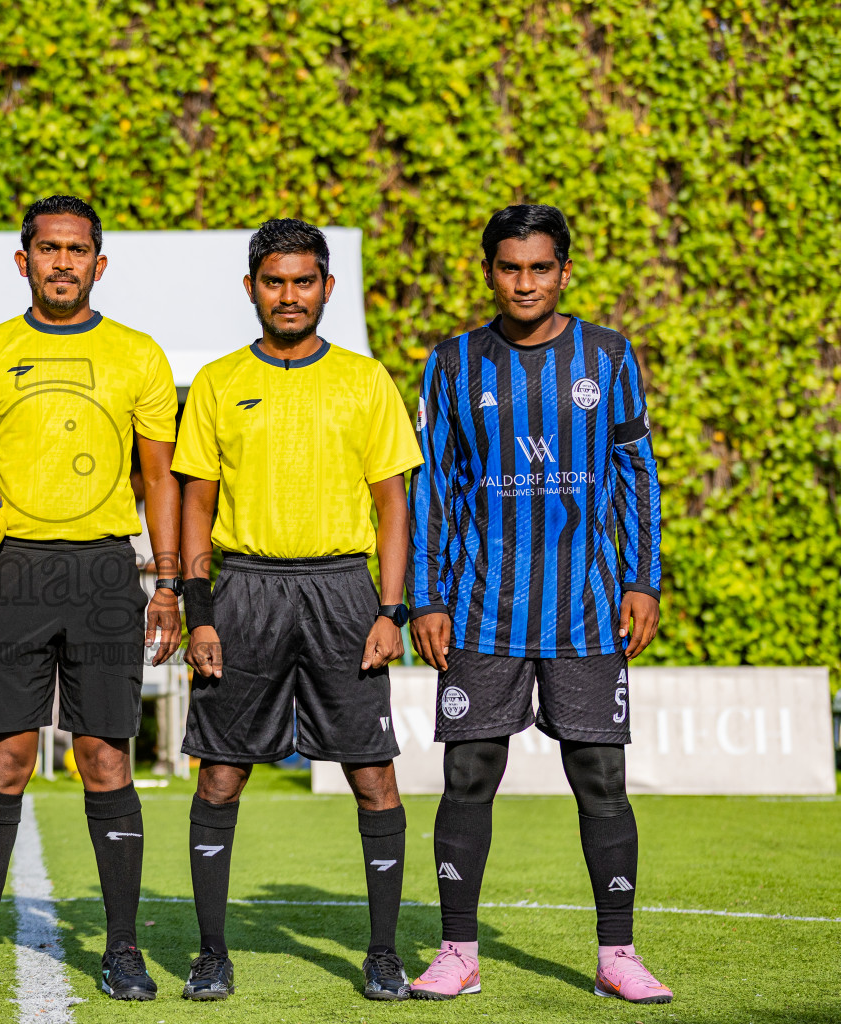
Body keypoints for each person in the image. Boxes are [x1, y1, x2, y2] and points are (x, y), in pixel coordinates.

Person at [0, 195, 181, 1002]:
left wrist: (168, 582)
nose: (63, 261)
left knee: (105, 759)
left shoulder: (138, 354)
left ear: (99, 263)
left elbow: (160, 477)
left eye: (77, 249)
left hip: (105, 573)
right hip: (13, 573)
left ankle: (123, 948)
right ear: (22, 259)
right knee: (5, 759)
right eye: (48, 248)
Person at [406, 204, 670, 1004]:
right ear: (490, 271)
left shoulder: (608, 355)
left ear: (564, 271)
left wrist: (643, 580)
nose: (525, 283)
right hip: (480, 607)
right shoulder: (453, 363)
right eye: (510, 267)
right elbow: (433, 485)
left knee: (600, 776)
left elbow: (636, 474)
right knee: (468, 772)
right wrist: (427, 596)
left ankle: (617, 954)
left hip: (586, 606)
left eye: (541, 267)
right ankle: (458, 952)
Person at [174, 219, 423, 1002]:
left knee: (373, 775)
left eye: (304, 281)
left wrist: (392, 610)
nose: (289, 295)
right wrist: (199, 611)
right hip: (244, 590)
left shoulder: (365, 379)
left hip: (344, 593)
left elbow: (393, 504)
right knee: (220, 775)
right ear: (251, 287)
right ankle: (211, 953)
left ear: (327, 288)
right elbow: (196, 503)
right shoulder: (216, 381)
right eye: (275, 281)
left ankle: (382, 953)